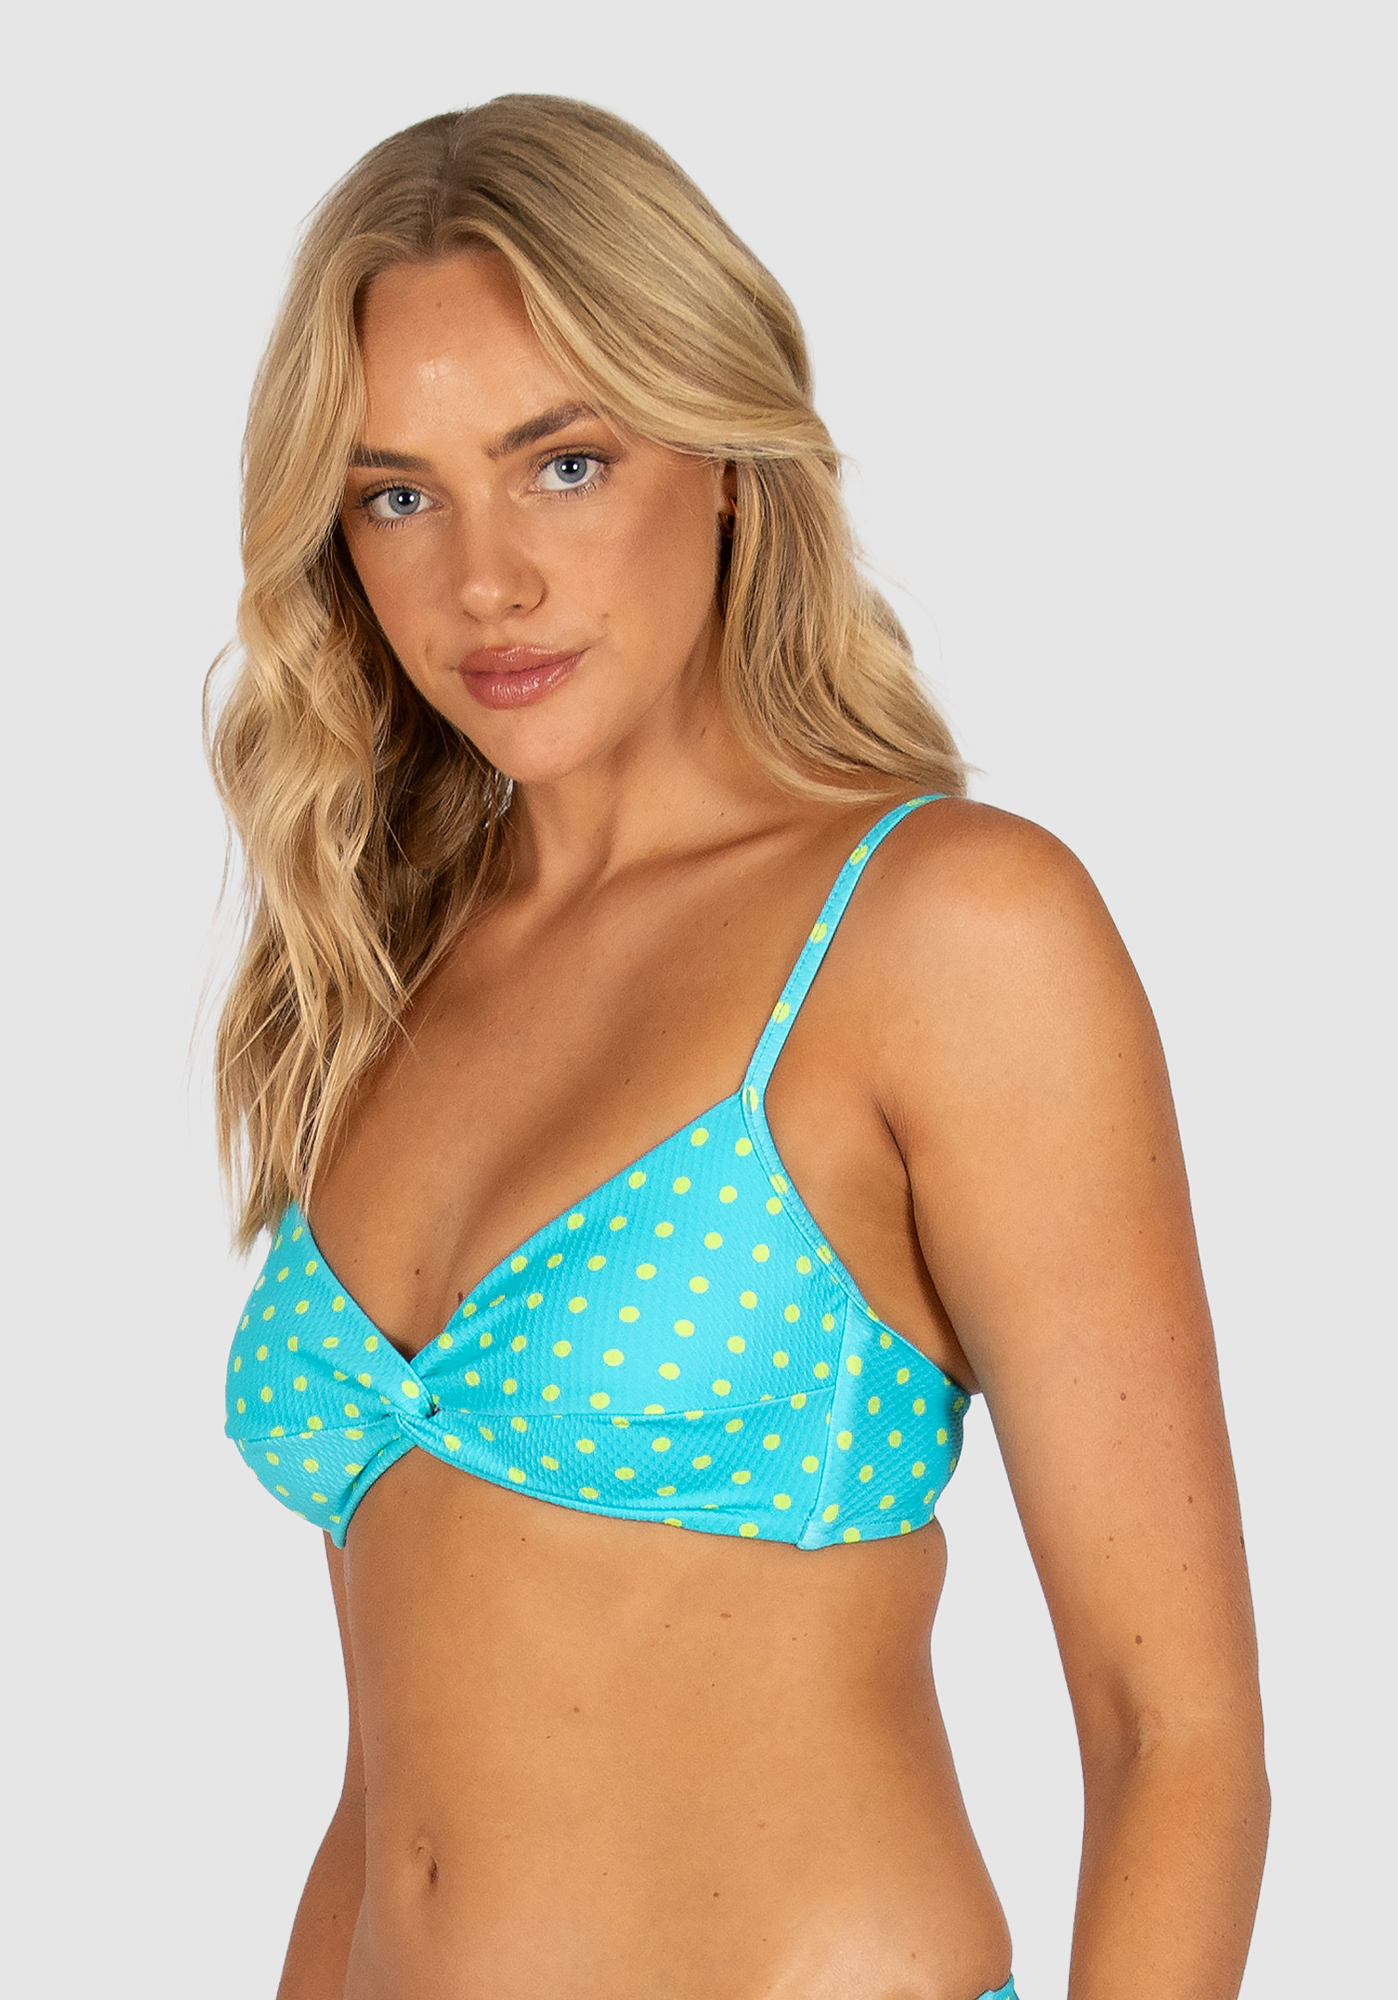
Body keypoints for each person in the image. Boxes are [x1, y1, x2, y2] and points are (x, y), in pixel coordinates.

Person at [209, 94, 1267, 2000]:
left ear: (721, 455)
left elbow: (1169, 1733)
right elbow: (387, 1789)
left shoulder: (946, 932)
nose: (485, 582)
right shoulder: (386, 975)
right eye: (396, 496)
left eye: (563, 463)